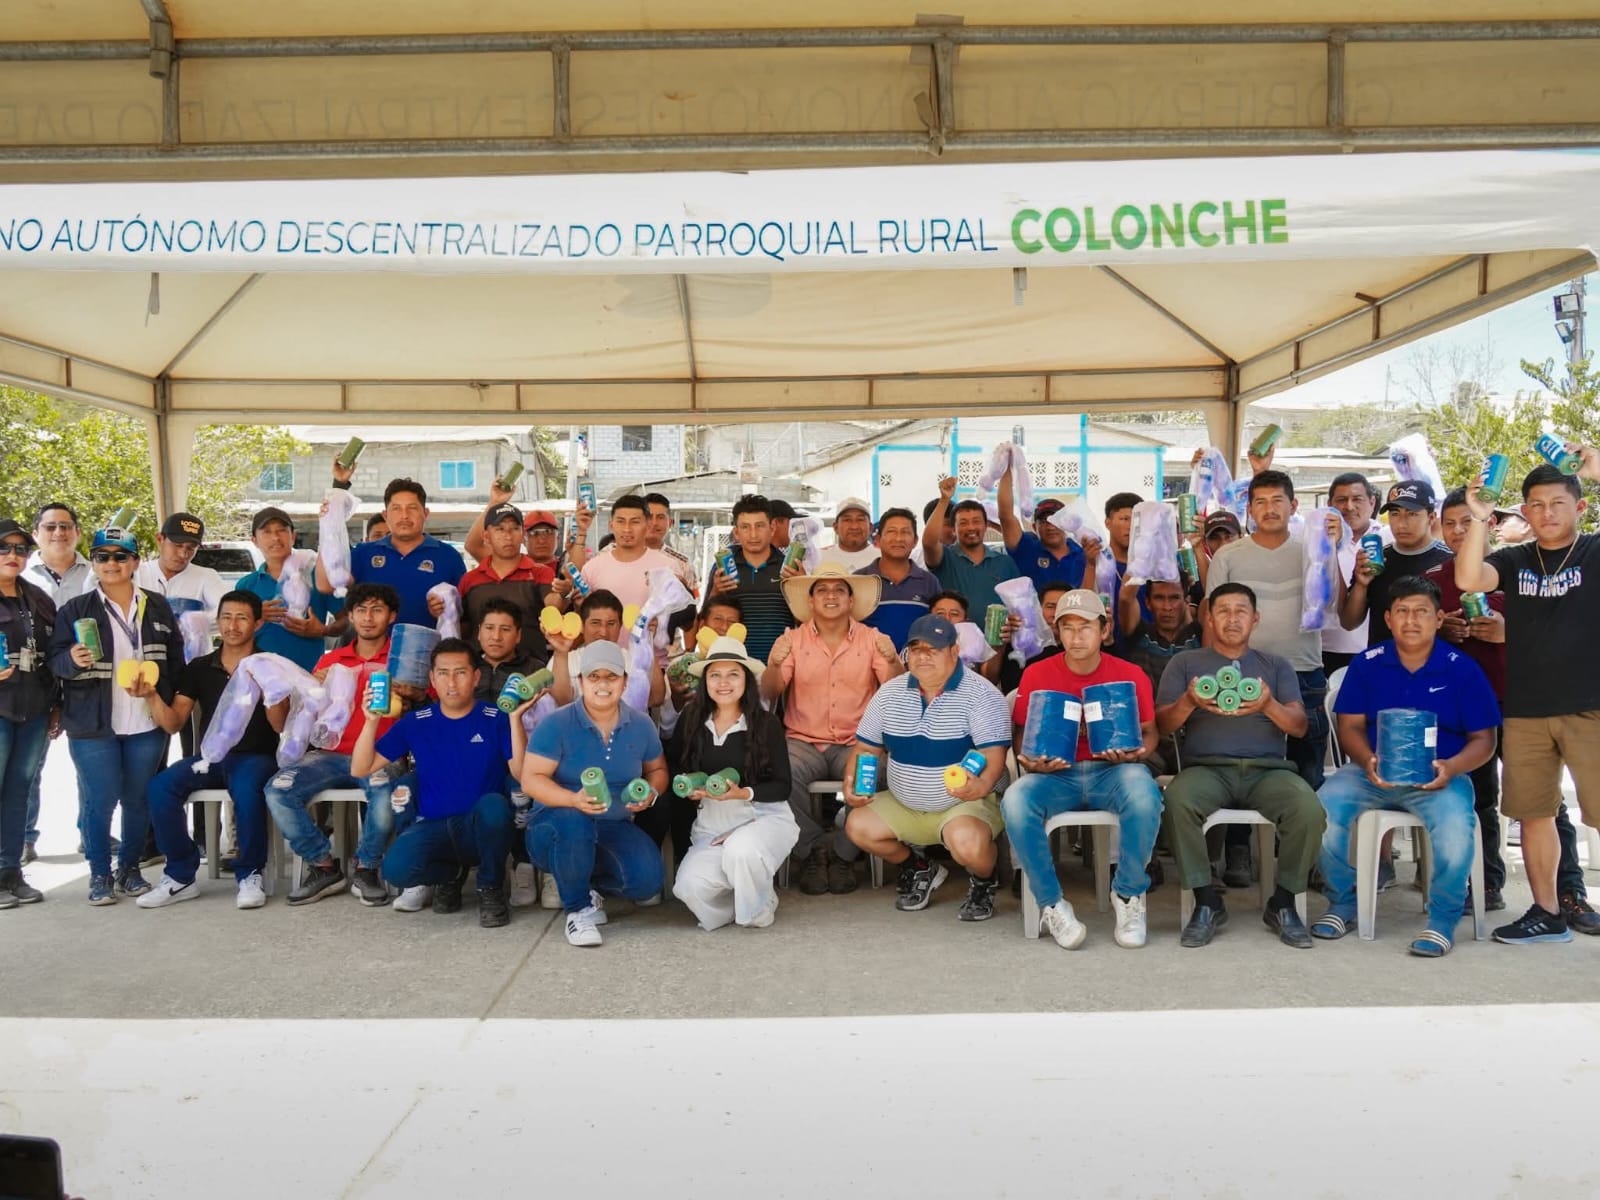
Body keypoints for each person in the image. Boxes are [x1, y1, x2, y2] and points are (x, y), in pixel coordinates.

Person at [1310, 576, 1500, 956]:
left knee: (1455, 829)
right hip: (1371, 773)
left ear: (1439, 618)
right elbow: (1349, 728)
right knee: (1317, 811)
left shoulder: (1461, 669)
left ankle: (1442, 919)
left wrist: (1451, 768)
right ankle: (1343, 902)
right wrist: (1367, 760)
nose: (1411, 620)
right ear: (1388, 618)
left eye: (1421, 612)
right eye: (1402, 611)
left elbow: (1485, 741)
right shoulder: (1368, 664)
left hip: (1439, 776)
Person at [1427, 489, 1593, 923]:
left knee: (1551, 807)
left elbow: (1553, 627)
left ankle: (1570, 892)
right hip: (1473, 708)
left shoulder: (1529, 563)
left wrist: (1507, 632)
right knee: (1487, 799)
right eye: (1450, 523)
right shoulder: (1441, 577)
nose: (1458, 531)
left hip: (1532, 700)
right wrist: (1443, 632)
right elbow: (1416, 633)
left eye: (1468, 521)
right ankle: (1492, 886)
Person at [1157, 582, 1326, 949]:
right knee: (1176, 801)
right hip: (1207, 770)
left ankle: (1284, 901)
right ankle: (1206, 900)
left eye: (1241, 611)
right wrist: (1189, 701)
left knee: (1308, 809)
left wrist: (1267, 705)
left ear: (1255, 619)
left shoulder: (1276, 666)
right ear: (1209, 618)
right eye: (1223, 611)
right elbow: (1163, 725)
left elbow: (1299, 727)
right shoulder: (1185, 664)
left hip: (1269, 772)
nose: (1232, 619)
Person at [1003, 590, 1163, 949]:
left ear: (1104, 630)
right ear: (1057, 632)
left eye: (1085, 627)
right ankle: (1051, 904)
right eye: (1068, 628)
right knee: (1015, 800)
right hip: (1056, 775)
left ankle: (1127, 893)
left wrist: (1137, 754)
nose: (1076, 637)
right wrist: (1031, 760)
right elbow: (1021, 733)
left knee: (1143, 792)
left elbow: (1151, 732)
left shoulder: (1130, 674)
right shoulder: (1037, 673)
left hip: (1113, 772)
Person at [49, 527, 185, 904]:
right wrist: (70, 660)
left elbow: (176, 661)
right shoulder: (75, 609)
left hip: (147, 722)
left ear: (135, 562)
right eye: (102, 556)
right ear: (93, 563)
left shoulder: (157, 606)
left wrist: (171, 703)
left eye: (120, 556)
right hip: (93, 724)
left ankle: (129, 869)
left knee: (138, 800)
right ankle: (99, 875)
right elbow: (54, 662)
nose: (111, 563)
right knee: (100, 801)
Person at [843, 614, 1010, 920]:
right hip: (905, 803)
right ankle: (920, 867)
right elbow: (866, 748)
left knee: (968, 845)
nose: (923, 657)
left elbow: (993, 754)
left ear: (954, 652)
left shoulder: (982, 694)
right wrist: (850, 783)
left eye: (933, 649)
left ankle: (984, 881)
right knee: (857, 825)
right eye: (916, 649)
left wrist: (981, 786)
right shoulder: (889, 693)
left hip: (964, 804)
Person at [354, 638, 530, 928]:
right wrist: (371, 720)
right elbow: (361, 767)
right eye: (443, 673)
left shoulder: (495, 717)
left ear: (475, 677)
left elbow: (522, 775)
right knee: (395, 870)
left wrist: (515, 719)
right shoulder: (416, 721)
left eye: (460, 672)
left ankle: (490, 887)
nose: (452, 682)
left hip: (480, 828)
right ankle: (451, 875)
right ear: (432, 679)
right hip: (434, 827)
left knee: (495, 806)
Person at [136, 591, 286, 910]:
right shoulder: (200, 667)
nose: (232, 625)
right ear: (217, 621)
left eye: (242, 618)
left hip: (257, 757)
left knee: (247, 791)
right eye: (226, 617)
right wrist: (151, 696)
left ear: (258, 624)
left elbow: (279, 725)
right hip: (210, 759)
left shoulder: (270, 664)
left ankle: (250, 873)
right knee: (160, 787)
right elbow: (174, 722)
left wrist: (271, 691)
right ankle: (180, 875)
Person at [521, 638, 670, 947]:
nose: (603, 684)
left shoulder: (641, 725)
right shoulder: (557, 723)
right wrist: (572, 799)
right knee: (574, 821)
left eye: (611, 676)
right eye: (594, 676)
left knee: (647, 881)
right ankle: (577, 911)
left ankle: (581, 884)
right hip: (554, 824)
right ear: (581, 681)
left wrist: (651, 793)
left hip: (612, 824)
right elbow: (531, 779)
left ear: (624, 682)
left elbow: (657, 770)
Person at [762, 564, 900, 895]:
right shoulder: (792, 640)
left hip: (856, 742)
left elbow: (896, 691)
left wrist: (894, 660)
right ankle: (811, 850)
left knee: (874, 772)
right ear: (810, 601)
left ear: (851, 600)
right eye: (822, 590)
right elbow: (770, 692)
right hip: (802, 741)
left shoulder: (873, 639)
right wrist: (775, 664)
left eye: (839, 590)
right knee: (778, 771)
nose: (831, 596)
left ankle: (843, 854)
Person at [263, 582, 402, 906]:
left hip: (381, 754)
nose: (368, 618)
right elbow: (306, 715)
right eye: (361, 610)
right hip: (329, 754)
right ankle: (323, 865)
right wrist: (312, 689)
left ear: (392, 616)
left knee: (384, 795)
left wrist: (408, 691)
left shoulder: (400, 659)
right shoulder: (333, 659)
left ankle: (366, 867)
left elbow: (425, 704)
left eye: (377, 610)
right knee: (278, 790)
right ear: (350, 616)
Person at [1204, 469, 1344, 790]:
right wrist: (1214, 671)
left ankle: (1305, 824)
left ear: (1293, 506)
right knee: (1242, 774)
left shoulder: (1312, 550)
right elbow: (1213, 620)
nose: (1269, 509)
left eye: (1277, 501)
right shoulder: (1227, 556)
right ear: (1249, 509)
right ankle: (1246, 826)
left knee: (1307, 775)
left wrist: (1332, 550)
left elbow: (1335, 605)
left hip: (1303, 674)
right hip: (1241, 673)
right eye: (1261, 502)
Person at [669, 637, 798, 930]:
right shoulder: (691, 719)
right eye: (715, 675)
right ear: (705, 681)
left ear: (746, 680)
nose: (723, 683)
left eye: (733, 674)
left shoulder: (765, 723)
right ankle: (746, 897)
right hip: (712, 825)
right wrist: (688, 788)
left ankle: (757, 909)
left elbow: (783, 786)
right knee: (688, 888)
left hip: (760, 819)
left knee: (741, 849)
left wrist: (743, 793)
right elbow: (675, 763)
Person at [19, 502, 86, 868]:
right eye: (50, 527)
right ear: (36, 534)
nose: (58, 532)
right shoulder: (18, 574)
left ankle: (92, 831)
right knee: (28, 767)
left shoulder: (96, 572)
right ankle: (23, 837)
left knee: (90, 763)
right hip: (34, 681)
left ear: (77, 532)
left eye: (65, 526)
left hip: (86, 679)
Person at [319, 475, 465, 630]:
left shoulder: (449, 557)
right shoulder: (364, 553)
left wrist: (446, 611)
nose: (404, 516)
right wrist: (328, 526)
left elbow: (465, 619)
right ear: (385, 515)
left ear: (426, 513)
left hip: (430, 645)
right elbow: (325, 585)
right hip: (373, 646)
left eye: (412, 508)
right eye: (396, 508)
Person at [0, 518, 55, 909]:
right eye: (4, 547)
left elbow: (53, 652)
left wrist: (57, 704)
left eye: (21, 549)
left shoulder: (37, 598)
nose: (13, 555)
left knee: (20, 790)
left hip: (34, 706)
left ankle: (10, 871)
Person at [1339, 480, 1451, 647]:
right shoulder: (1376, 559)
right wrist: (1361, 585)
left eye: (1412, 514)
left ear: (1431, 517)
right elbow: (1349, 623)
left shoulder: (1450, 560)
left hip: (1436, 660)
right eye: (1395, 513)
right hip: (1383, 660)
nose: (1401, 523)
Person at [236, 506, 339, 672]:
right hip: (262, 678)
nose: (276, 538)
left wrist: (323, 630)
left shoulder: (318, 576)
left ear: (293, 536)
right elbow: (234, 633)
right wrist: (254, 615)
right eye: (267, 532)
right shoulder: (246, 585)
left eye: (282, 530)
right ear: (254, 541)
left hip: (311, 677)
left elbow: (347, 621)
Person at [1120, 577, 1202, 775]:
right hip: (1149, 740)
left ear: (1186, 601)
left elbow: (1214, 596)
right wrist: (1144, 563)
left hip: (1193, 740)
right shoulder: (1138, 634)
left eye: (1174, 598)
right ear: (1147, 603)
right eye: (1159, 598)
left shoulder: (1200, 635)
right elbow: (1125, 598)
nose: (1167, 607)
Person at [459, 501, 553, 665]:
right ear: (486, 536)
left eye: (514, 529)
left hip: (531, 673)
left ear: (522, 534)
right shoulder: (470, 579)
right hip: (480, 672)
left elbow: (554, 607)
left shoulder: (541, 573)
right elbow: (462, 627)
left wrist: (564, 593)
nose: (508, 536)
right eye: (500, 529)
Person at [705, 495, 793, 664]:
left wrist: (799, 589)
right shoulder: (723, 568)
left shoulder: (788, 568)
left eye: (760, 526)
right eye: (745, 527)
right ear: (736, 532)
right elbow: (705, 620)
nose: (753, 535)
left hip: (779, 665)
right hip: (735, 665)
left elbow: (804, 622)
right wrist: (716, 591)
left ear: (772, 528)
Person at [922, 477, 1020, 615]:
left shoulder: (1004, 562)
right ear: (954, 529)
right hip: (952, 629)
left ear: (986, 525)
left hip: (998, 630)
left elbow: (1018, 604)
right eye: (963, 523)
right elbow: (928, 543)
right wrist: (944, 500)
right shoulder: (945, 558)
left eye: (976, 521)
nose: (971, 527)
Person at [1322, 472, 1385, 674]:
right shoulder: (1315, 539)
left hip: (1375, 650)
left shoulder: (1388, 538)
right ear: (1330, 504)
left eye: (1357, 499)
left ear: (1372, 502)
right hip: (1324, 648)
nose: (1349, 506)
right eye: (1341, 500)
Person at [579, 495, 691, 610]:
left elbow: (682, 613)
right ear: (611, 525)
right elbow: (582, 611)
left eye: (635, 522)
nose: (627, 529)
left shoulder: (669, 567)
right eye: (621, 521)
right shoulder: (592, 568)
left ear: (647, 526)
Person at [855, 508, 940, 651]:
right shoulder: (859, 580)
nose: (898, 538)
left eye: (905, 532)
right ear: (878, 539)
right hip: (868, 662)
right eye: (891, 531)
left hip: (916, 662)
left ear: (915, 541)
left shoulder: (929, 582)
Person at [134, 511, 228, 628]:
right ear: (159, 539)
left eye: (191, 548)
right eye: (177, 545)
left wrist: (197, 621)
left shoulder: (206, 576)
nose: (183, 554)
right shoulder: (137, 574)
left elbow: (229, 608)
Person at [999, 474, 1087, 592]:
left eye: (1056, 520)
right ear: (1034, 527)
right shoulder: (1026, 548)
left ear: (1067, 524)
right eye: (1044, 521)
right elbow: (1006, 515)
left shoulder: (1082, 553)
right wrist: (1006, 470)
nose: (1050, 527)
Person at [472, 598, 544, 704]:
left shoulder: (535, 670)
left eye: (505, 629)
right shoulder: (467, 665)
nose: (496, 637)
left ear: (518, 635)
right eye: (489, 628)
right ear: (479, 632)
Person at [642, 492, 701, 596]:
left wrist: (684, 589)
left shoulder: (683, 563)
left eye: (660, 517)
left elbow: (694, 600)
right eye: (649, 517)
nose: (654, 523)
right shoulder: (624, 556)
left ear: (670, 523)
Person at [818, 497, 878, 572]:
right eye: (847, 520)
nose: (854, 526)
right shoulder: (818, 558)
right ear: (836, 527)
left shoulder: (883, 558)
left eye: (860, 519)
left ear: (870, 527)